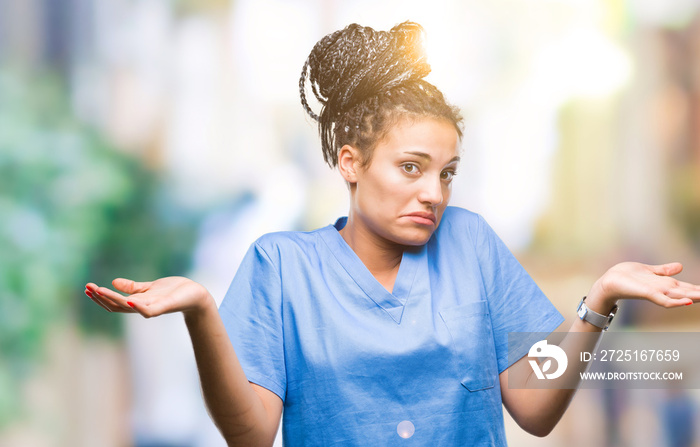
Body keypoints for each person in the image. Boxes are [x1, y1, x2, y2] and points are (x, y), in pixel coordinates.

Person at [85, 21, 700, 446]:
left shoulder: (472, 244)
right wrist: (201, 312)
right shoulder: (281, 266)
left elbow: (535, 411)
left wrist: (600, 301)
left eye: (447, 173)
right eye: (411, 168)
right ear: (350, 162)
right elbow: (251, 435)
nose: (433, 193)